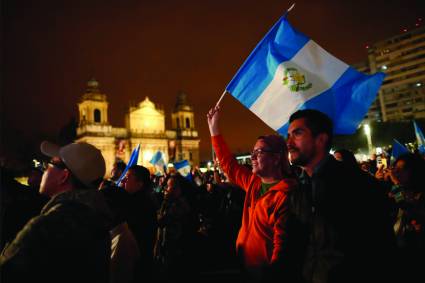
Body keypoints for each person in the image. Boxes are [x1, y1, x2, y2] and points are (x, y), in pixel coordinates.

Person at [286, 109, 396, 283]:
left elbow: (381, 250)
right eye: (288, 135)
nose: (289, 142)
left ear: (321, 139)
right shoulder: (297, 191)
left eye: (297, 133)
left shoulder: (357, 185)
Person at [207, 105, 300, 282]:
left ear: (276, 158)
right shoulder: (253, 183)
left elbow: (282, 246)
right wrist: (214, 129)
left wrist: (274, 275)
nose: (253, 157)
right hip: (245, 267)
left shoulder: (286, 195)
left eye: (260, 152)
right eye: (253, 152)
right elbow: (229, 164)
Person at [0, 141, 113, 283]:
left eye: (49, 165)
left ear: (64, 176)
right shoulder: (96, 219)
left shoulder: (48, 225)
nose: (44, 170)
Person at [121, 165, 158, 283]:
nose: (123, 180)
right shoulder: (135, 200)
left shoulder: (140, 204)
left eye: (128, 177)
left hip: (136, 261)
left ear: (140, 183)